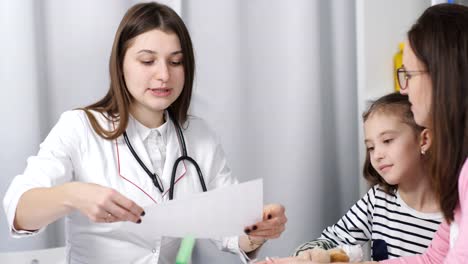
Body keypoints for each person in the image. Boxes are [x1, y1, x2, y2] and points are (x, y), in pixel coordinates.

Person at [2, 2, 287, 263]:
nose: (164, 75)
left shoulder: (198, 135)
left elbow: (230, 228)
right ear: (120, 64)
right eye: (147, 61)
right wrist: (74, 194)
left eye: (175, 62)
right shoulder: (80, 127)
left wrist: (258, 229)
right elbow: (19, 210)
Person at [257, 3, 468, 264]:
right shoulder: (447, 181)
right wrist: (315, 259)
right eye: (371, 146)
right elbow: (434, 259)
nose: (404, 89)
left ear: (442, 77)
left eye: (409, 75)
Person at [291, 93, 440, 261]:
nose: (376, 155)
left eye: (387, 140)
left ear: (424, 140)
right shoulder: (378, 199)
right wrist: (308, 255)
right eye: (370, 147)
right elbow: (331, 240)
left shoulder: (455, 211)